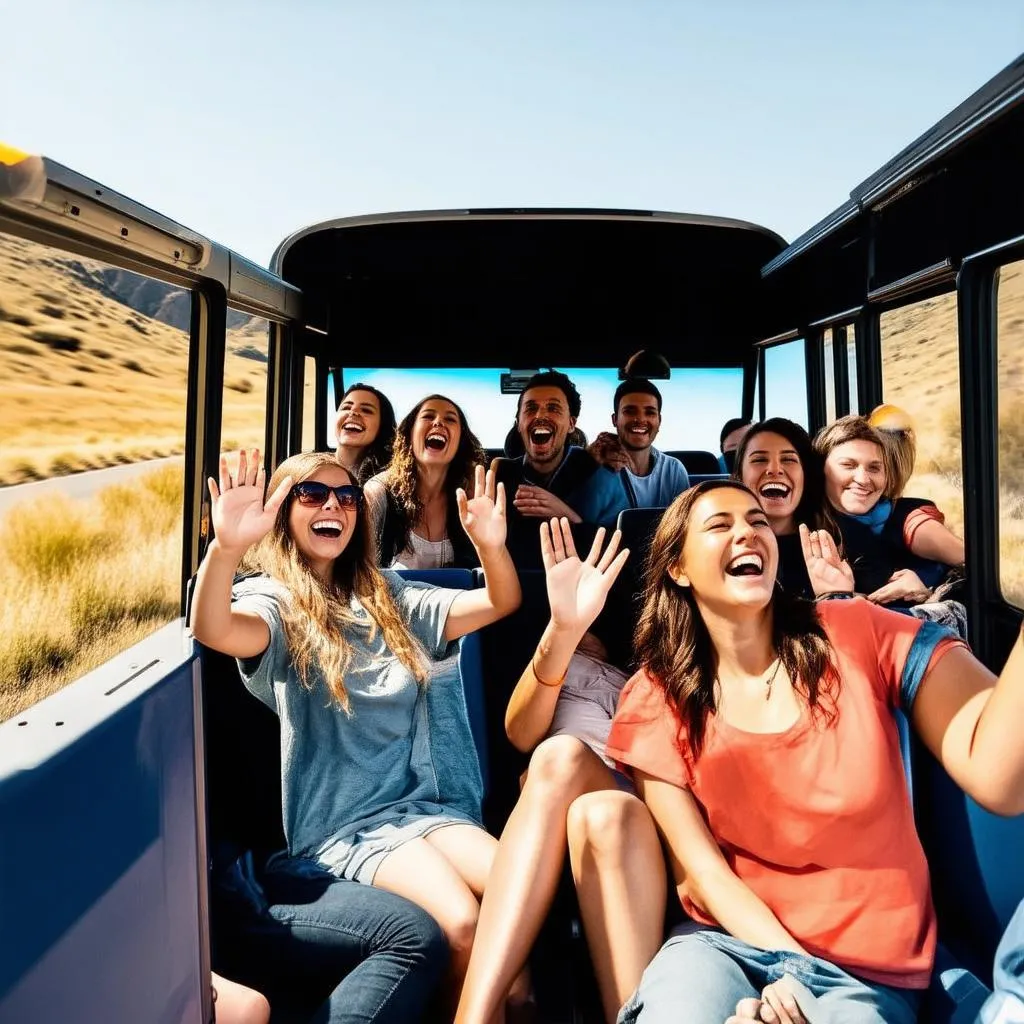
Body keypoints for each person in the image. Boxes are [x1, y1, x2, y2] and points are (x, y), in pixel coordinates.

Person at [605, 479, 1024, 1024]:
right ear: (678, 569)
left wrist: (802, 989)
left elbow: (999, 774)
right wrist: (791, 970)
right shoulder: (655, 694)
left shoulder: (858, 632)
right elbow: (705, 874)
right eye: (719, 525)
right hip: (726, 946)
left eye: (758, 522)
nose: (748, 533)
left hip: (867, 972)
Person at [191, 448, 522, 1007]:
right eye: (312, 494)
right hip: (348, 823)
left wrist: (490, 547)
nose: (334, 507)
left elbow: (499, 600)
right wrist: (225, 551)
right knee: (463, 923)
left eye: (347, 497)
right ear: (283, 510)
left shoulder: (389, 594)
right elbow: (215, 629)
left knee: (516, 893)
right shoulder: (277, 602)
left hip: (426, 808)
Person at [455, 521, 666, 1024]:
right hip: (581, 799)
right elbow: (519, 734)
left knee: (563, 759)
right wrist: (563, 633)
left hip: (652, 797)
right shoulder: (563, 661)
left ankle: (472, 1015)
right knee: (582, 787)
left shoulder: (667, 667)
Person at [814, 416, 966, 633]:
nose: (863, 479)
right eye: (848, 465)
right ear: (821, 470)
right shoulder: (805, 525)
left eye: (875, 468)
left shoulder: (908, 520)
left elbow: (975, 568)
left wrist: (926, 588)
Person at [491, 370, 630, 566]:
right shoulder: (501, 477)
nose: (540, 415)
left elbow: (619, 555)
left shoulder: (602, 477)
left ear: (571, 424)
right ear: (519, 424)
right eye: (530, 408)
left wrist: (568, 517)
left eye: (553, 408)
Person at [364, 394, 486, 569]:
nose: (438, 422)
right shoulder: (378, 493)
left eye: (450, 419)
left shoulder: (471, 496)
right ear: (410, 434)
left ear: (460, 441)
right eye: (428, 416)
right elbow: (363, 578)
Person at [733, 418, 844, 599]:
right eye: (760, 459)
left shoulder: (840, 538)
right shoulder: (725, 545)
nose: (774, 469)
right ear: (739, 477)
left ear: (805, 475)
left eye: (788, 459)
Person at [587, 378, 690, 508]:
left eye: (650, 412)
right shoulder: (597, 466)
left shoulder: (673, 470)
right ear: (615, 420)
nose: (640, 419)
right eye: (629, 411)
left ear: (659, 420)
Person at [334, 382, 397, 484]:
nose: (353, 412)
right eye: (346, 408)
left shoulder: (391, 481)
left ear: (382, 425)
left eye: (366, 410)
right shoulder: (311, 470)